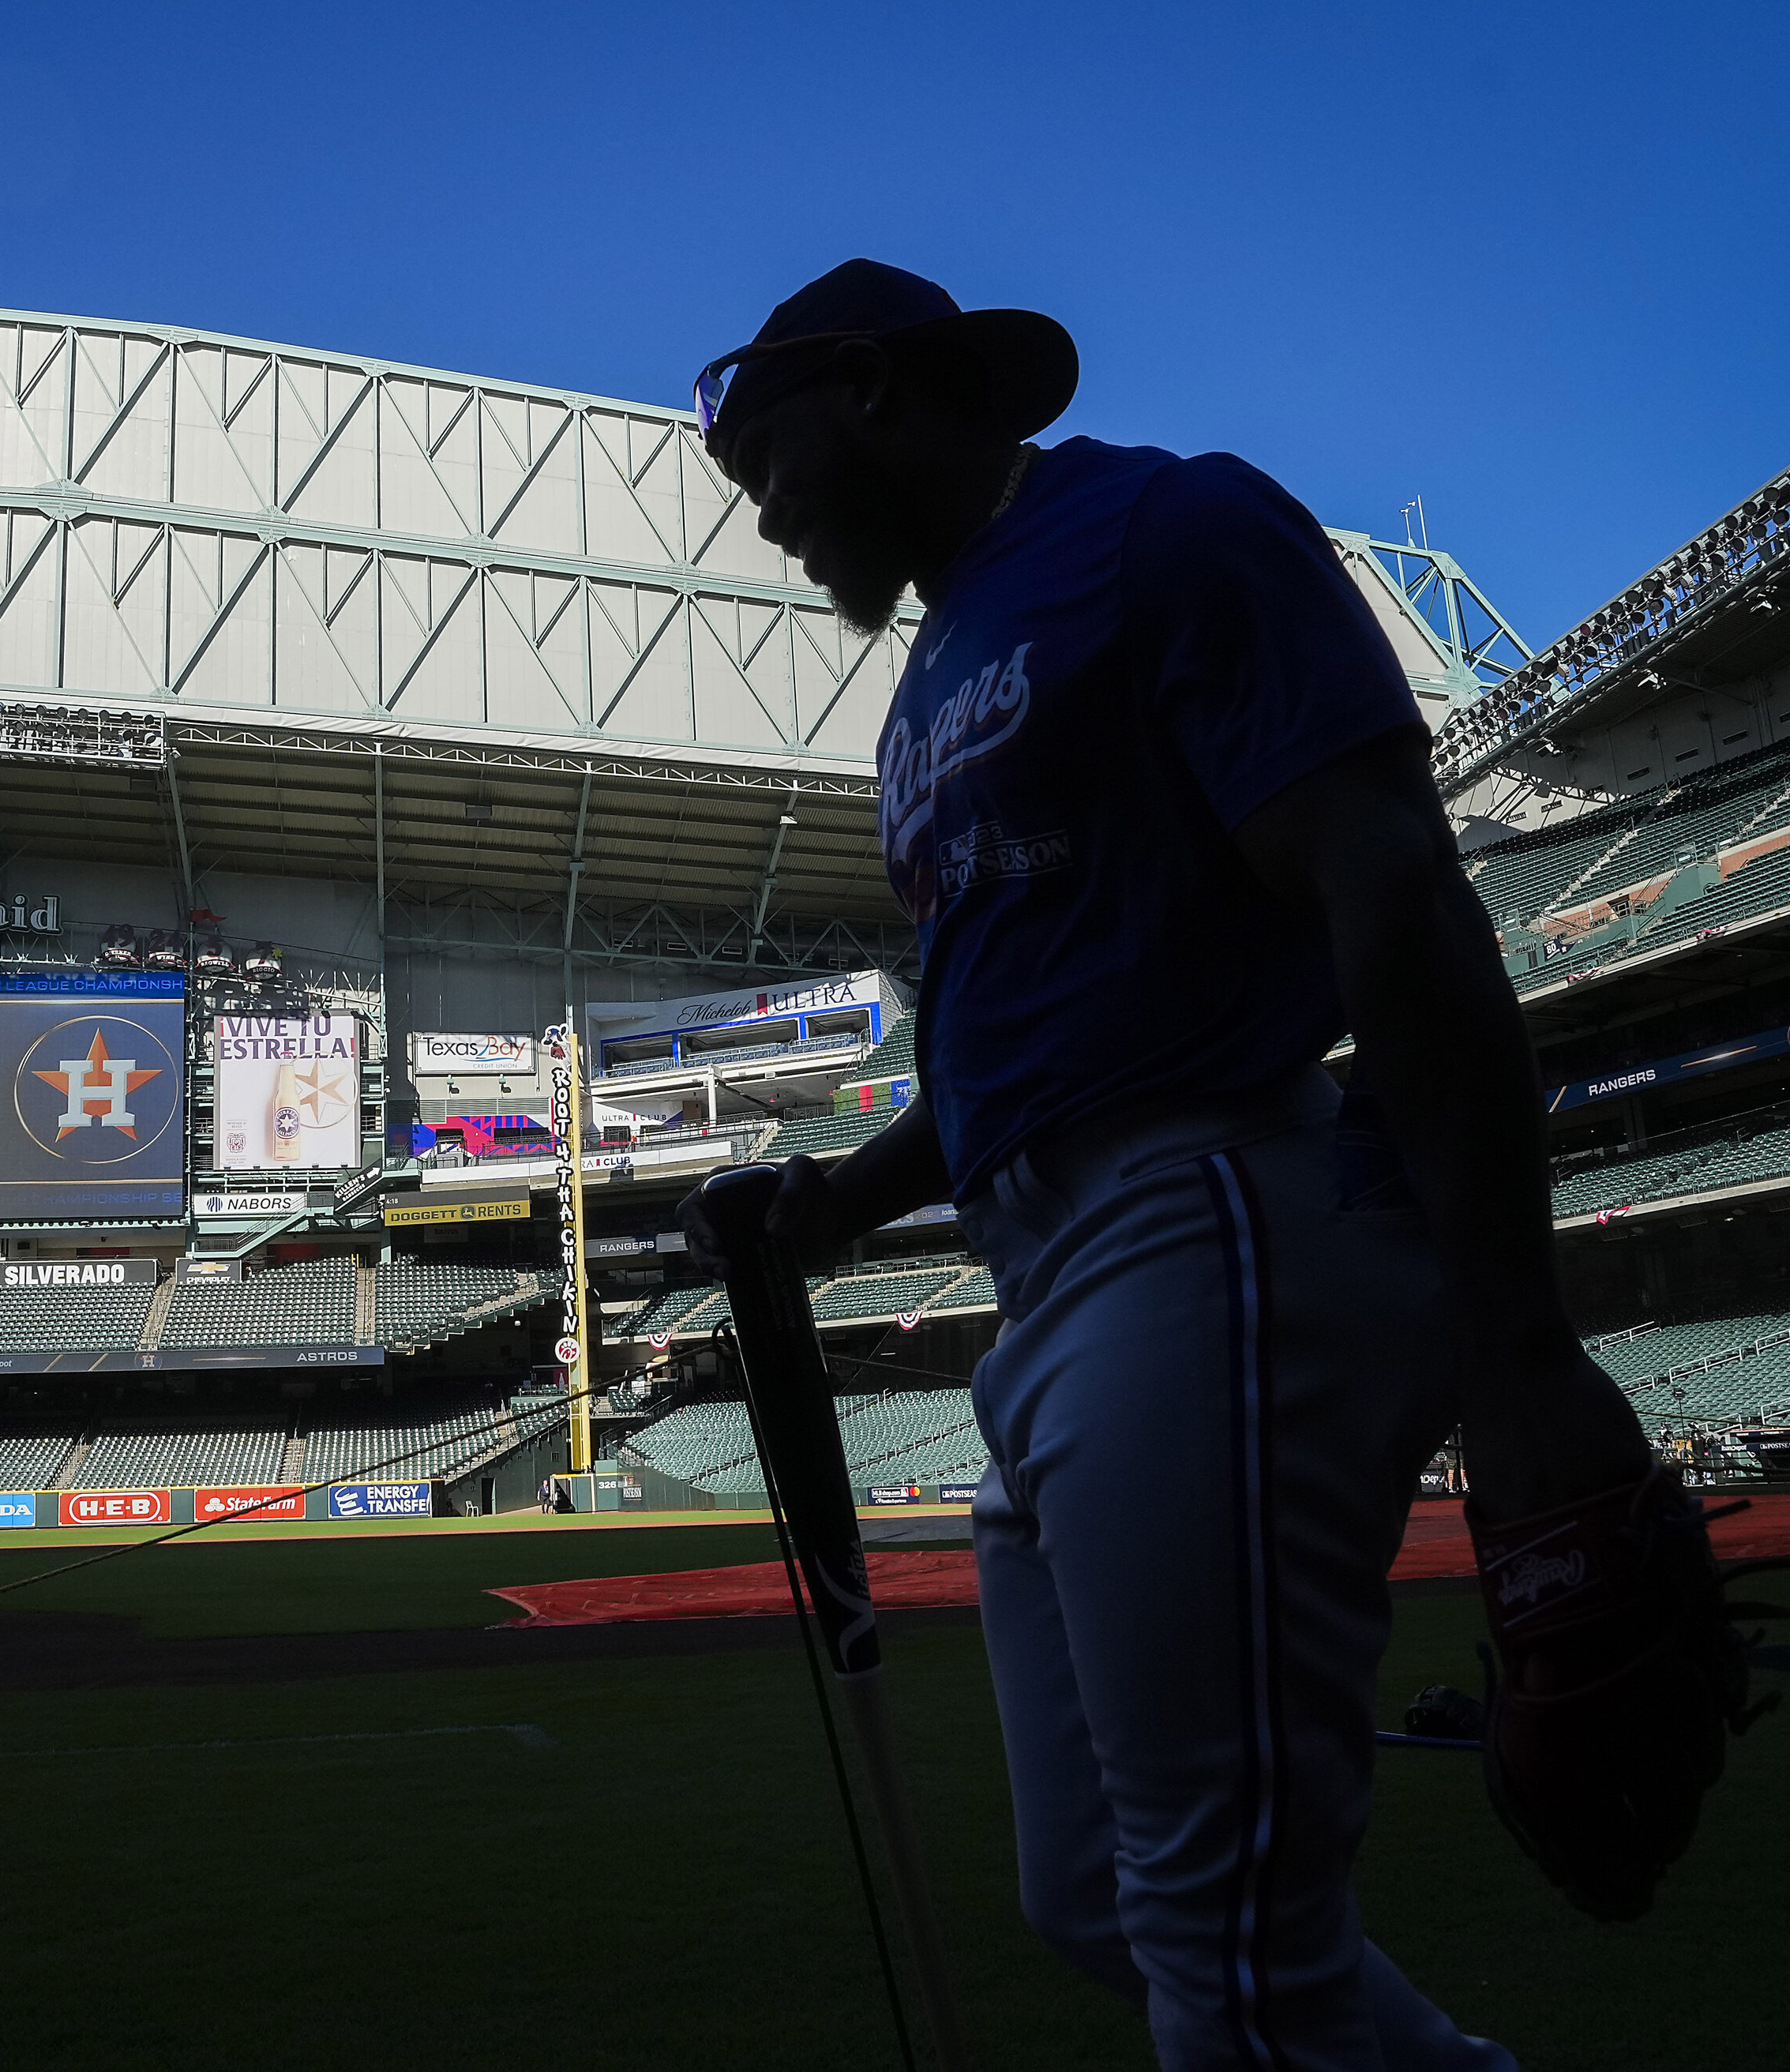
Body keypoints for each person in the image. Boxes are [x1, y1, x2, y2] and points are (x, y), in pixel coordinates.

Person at [677, 261, 1653, 2072]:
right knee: (1102, 1906)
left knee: (1222, 1940)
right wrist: (835, 1199)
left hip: (1207, 1218)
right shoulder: (932, 681)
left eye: (772, 469)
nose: (770, 523)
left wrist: (1520, 1353)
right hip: (1054, 1276)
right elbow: (1023, 1050)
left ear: (870, 389)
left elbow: (1391, 892)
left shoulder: (1162, 527)